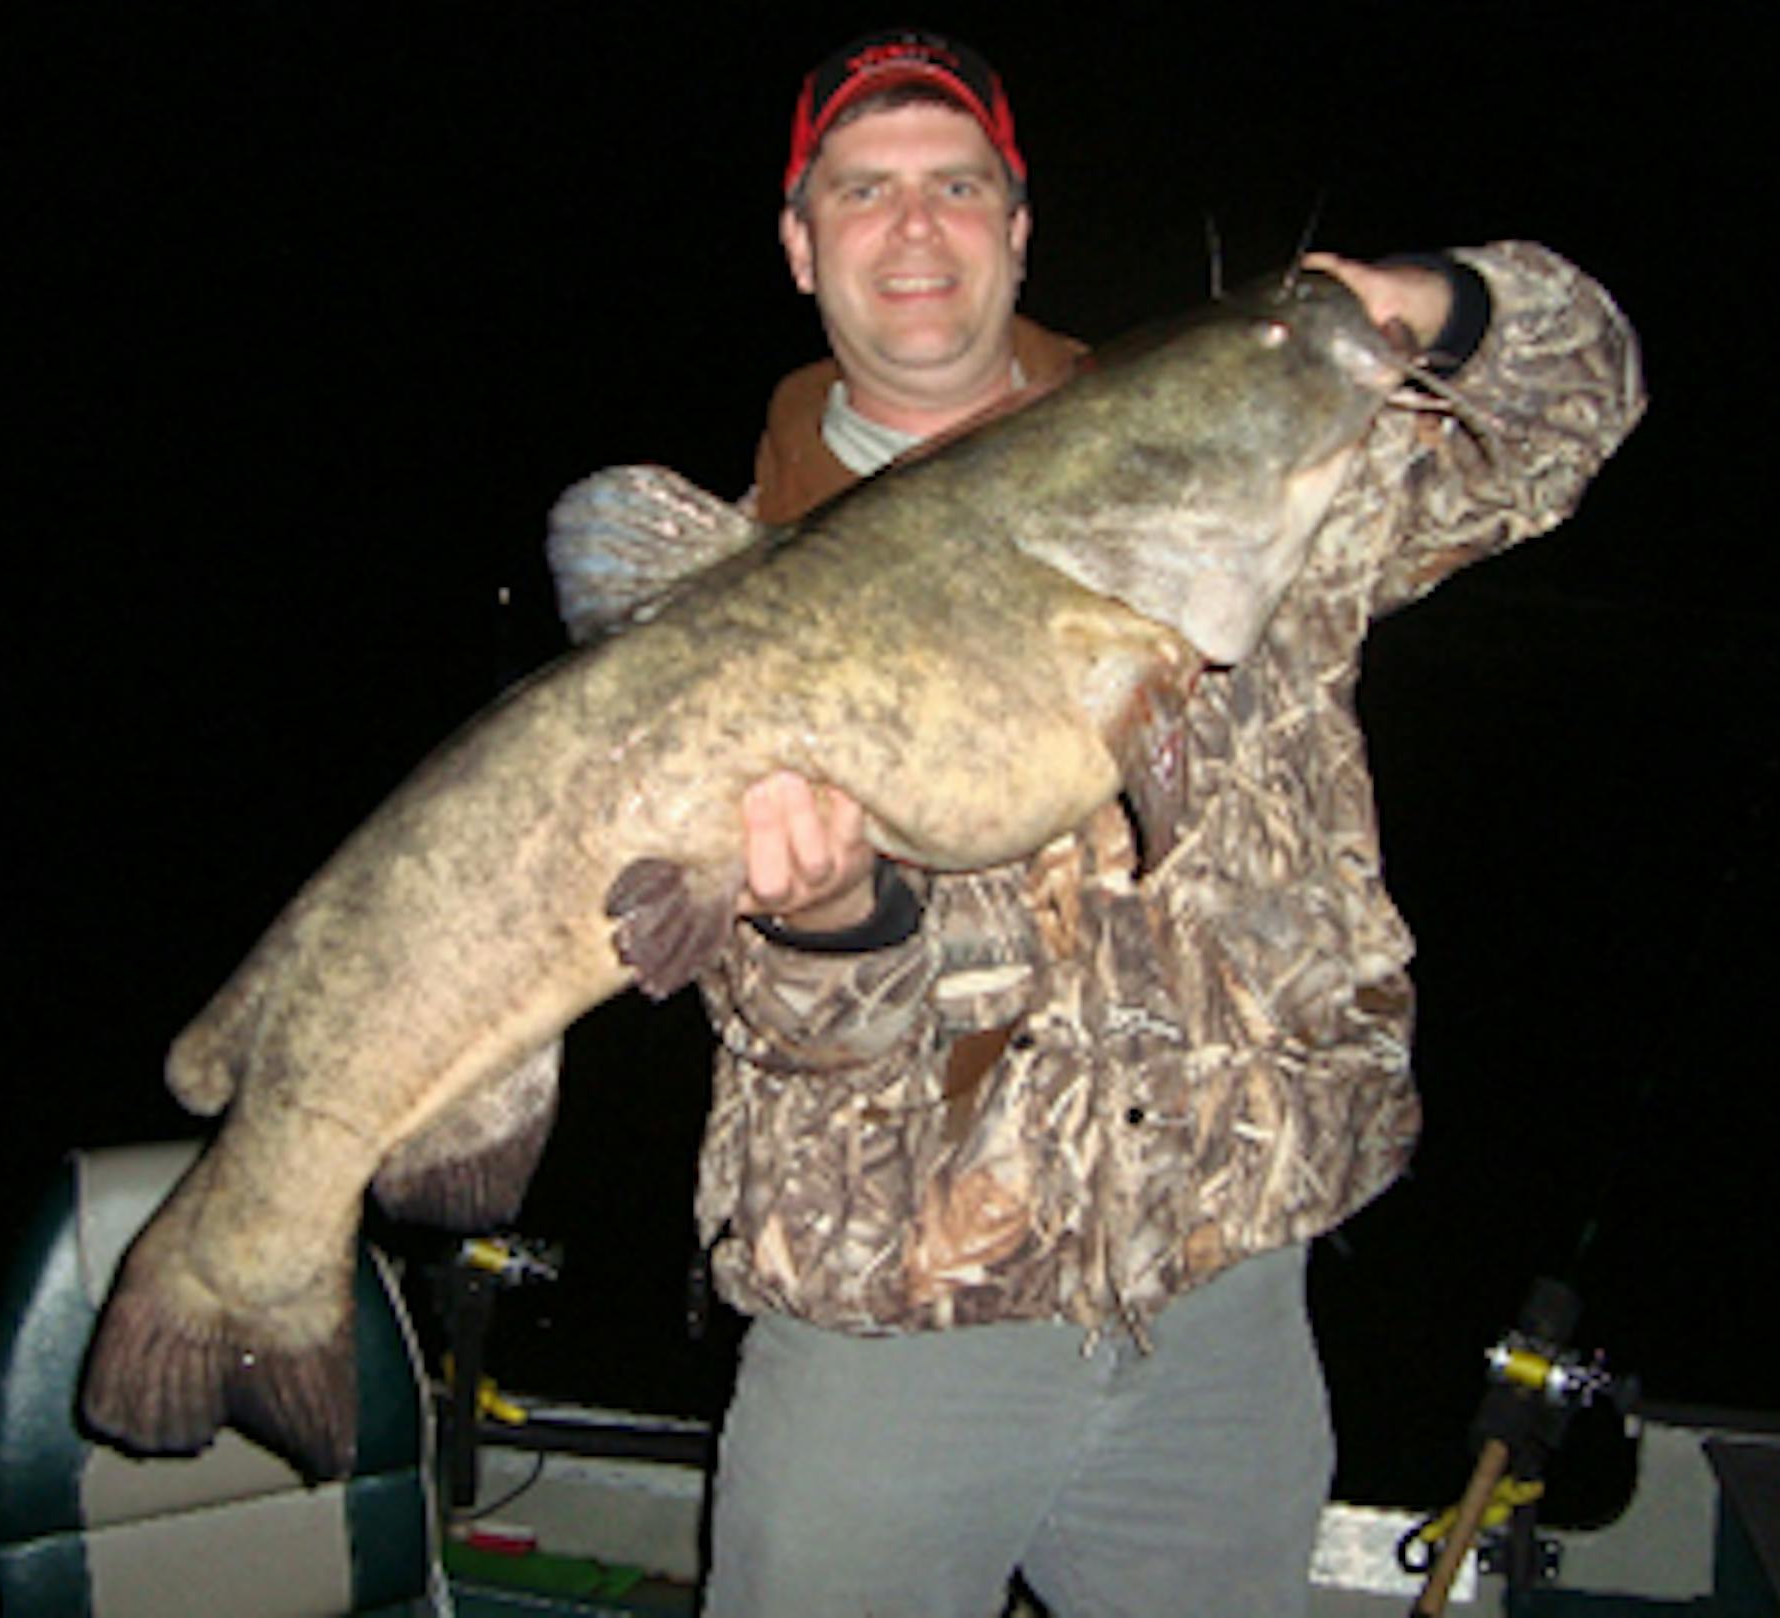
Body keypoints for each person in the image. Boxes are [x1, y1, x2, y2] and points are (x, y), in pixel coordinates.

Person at [689, 28, 1645, 1617]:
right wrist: (827, 922)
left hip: (1224, 1319)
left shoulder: (1246, 448)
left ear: (1018, 227)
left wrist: (1425, 302)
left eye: (957, 187)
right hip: (894, 1344)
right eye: (863, 191)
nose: (915, 227)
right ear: (800, 245)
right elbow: (784, 1030)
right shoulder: (727, 596)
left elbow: (1574, 401)